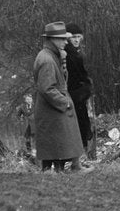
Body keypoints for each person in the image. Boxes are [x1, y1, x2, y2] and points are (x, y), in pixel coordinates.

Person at [32, 22, 84, 172]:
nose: (65, 42)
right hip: (51, 107)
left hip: (52, 107)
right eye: (62, 39)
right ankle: (59, 170)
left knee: (58, 141)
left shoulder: (52, 56)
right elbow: (47, 88)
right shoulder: (46, 59)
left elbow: (58, 80)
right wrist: (65, 102)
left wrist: (63, 62)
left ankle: (66, 168)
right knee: (55, 142)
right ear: (52, 39)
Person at [64, 22, 94, 171]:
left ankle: (79, 161)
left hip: (79, 97)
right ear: (68, 38)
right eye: (73, 37)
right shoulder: (68, 55)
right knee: (76, 128)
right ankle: (76, 162)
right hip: (74, 97)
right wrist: (83, 90)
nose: (76, 40)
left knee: (82, 127)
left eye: (78, 37)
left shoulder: (76, 53)